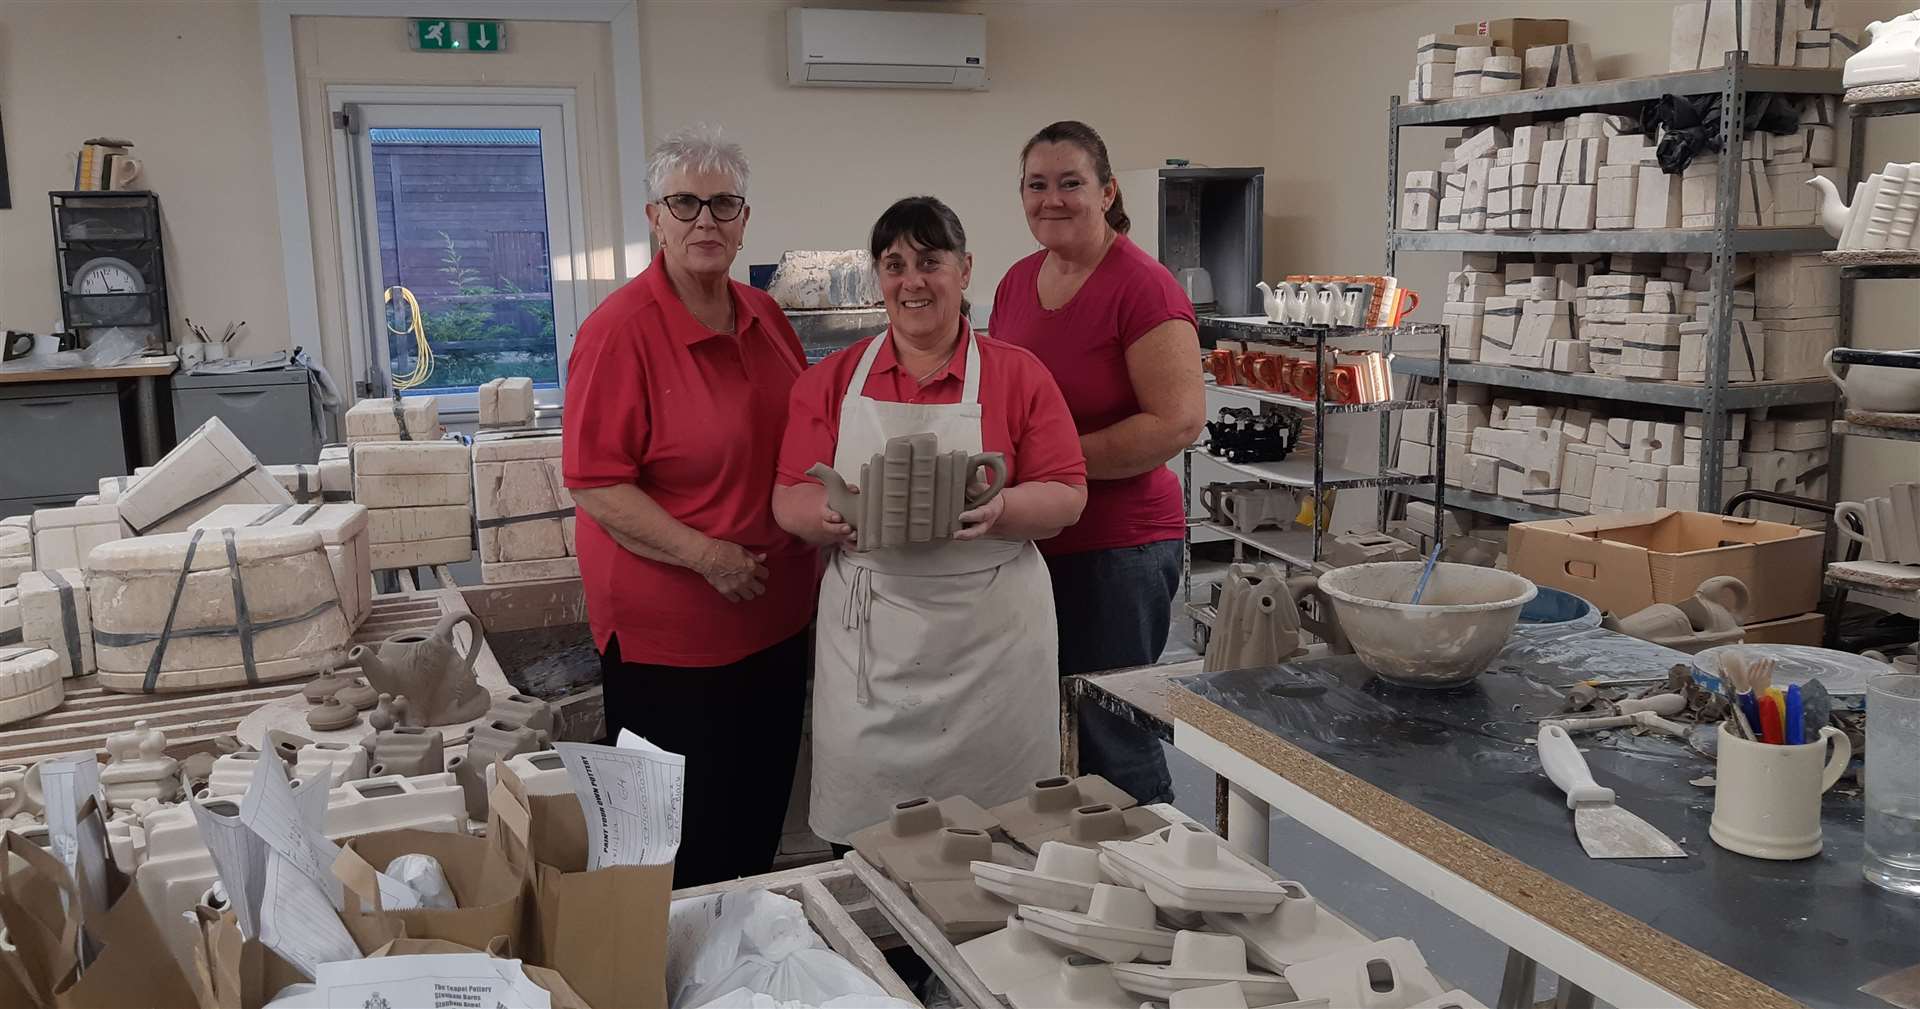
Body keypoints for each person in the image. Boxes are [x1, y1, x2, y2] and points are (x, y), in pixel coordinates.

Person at [773, 196, 1088, 844]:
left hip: (992, 643)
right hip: (873, 644)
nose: (912, 280)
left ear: (965, 268)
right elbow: (788, 496)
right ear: (877, 277)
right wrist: (832, 514)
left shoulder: (1018, 374)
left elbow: (1067, 493)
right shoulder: (831, 380)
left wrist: (1004, 509)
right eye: (894, 264)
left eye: (930, 261)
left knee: (997, 837)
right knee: (870, 834)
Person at [561, 125, 813, 887]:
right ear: (655, 216)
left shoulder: (765, 316)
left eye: (723, 205)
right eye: (686, 203)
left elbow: (803, 436)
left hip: (773, 621)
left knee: (754, 822)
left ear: (744, 220)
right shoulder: (621, 332)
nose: (705, 220)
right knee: (676, 848)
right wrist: (707, 554)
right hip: (673, 644)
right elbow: (596, 483)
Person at [989, 121, 1206, 806]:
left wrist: (1054, 464)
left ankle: (1159, 875)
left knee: (1113, 728)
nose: (1051, 199)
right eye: (1037, 184)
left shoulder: (1143, 286)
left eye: (1071, 183)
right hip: (1039, 537)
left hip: (1120, 547)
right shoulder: (1016, 283)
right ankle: (1080, 870)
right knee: (1051, 722)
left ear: (1107, 192)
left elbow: (1176, 420)